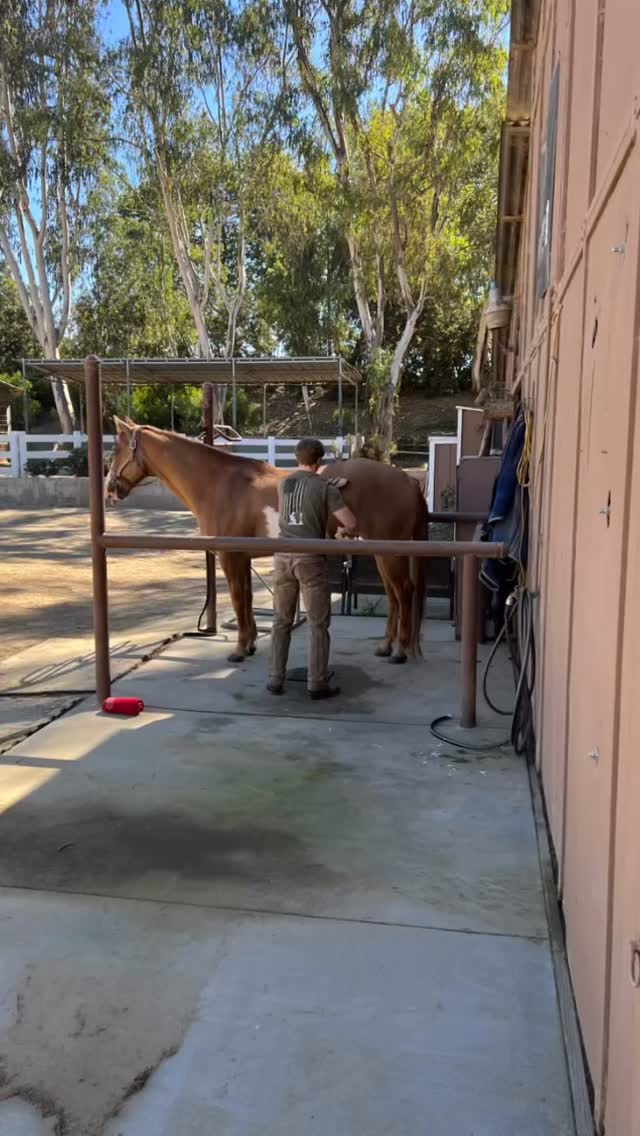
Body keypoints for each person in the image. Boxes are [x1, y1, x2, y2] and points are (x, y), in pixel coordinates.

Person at [268, 438, 357, 700]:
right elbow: (350, 523)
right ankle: (317, 682)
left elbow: (298, 503)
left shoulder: (283, 483)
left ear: (297, 458)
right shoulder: (325, 487)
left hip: (282, 558)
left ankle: (275, 678)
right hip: (310, 560)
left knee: (281, 621)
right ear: (320, 462)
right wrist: (341, 530)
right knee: (318, 624)